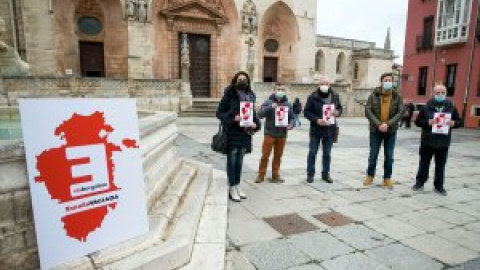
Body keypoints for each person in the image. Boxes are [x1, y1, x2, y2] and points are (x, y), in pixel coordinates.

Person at [216, 71, 261, 202]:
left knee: (240, 162)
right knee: (232, 162)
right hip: (232, 132)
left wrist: (255, 124)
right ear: (235, 80)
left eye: (244, 79)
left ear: (248, 81)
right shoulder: (229, 93)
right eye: (240, 79)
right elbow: (219, 113)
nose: (242, 81)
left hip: (245, 134)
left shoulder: (251, 96)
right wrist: (232, 117)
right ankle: (232, 187)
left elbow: (253, 114)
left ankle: (237, 185)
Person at [412, 83, 462, 196]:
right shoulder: (426, 107)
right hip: (427, 141)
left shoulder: (451, 107)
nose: (440, 94)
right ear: (433, 94)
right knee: (424, 163)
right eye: (437, 93)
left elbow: (459, 121)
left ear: (446, 93)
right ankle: (420, 183)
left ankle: (439, 186)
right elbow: (417, 122)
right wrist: (427, 122)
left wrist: (454, 123)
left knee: (440, 165)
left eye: (442, 92)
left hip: (443, 142)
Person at [363, 73, 403, 188]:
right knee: (373, 154)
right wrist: (379, 124)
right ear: (381, 82)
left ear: (392, 82)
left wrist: (388, 124)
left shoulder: (397, 96)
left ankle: (387, 178)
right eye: (385, 80)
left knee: (389, 155)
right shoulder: (373, 95)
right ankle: (370, 176)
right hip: (375, 130)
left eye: (389, 80)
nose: (387, 82)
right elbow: (368, 111)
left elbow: (400, 112)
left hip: (391, 131)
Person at [304, 74, 343, 183]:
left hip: (330, 130)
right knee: (312, 152)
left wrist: (337, 112)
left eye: (326, 84)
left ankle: (325, 174)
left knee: (327, 154)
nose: (324, 85)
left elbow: (340, 109)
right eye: (322, 84)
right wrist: (317, 120)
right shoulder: (312, 96)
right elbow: (306, 112)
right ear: (318, 85)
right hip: (316, 129)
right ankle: (310, 174)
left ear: (329, 85)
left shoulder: (335, 96)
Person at [255, 83, 294, 183]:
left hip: (282, 134)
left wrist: (291, 124)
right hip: (269, 133)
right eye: (278, 89)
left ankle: (275, 175)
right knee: (265, 155)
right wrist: (270, 107)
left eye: (282, 89)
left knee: (278, 156)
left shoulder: (288, 104)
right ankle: (260, 175)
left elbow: (292, 118)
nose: (280, 91)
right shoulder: (268, 102)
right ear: (274, 91)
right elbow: (259, 115)